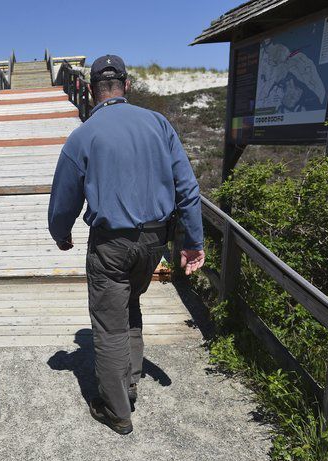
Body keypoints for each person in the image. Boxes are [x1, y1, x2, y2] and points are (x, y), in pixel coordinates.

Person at [47, 54, 205, 435]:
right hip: (155, 241)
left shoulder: (83, 135)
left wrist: (61, 232)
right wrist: (193, 241)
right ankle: (131, 378)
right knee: (131, 302)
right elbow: (187, 188)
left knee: (109, 324)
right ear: (127, 86)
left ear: (89, 90)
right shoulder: (158, 124)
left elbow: (64, 198)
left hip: (111, 244)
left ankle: (117, 410)